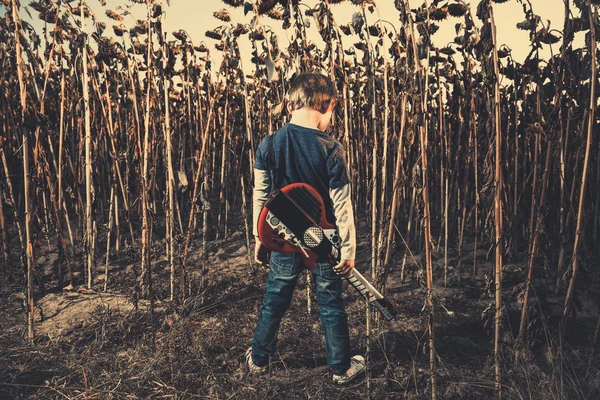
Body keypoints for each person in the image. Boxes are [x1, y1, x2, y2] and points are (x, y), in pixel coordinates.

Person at [247, 72, 365, 386]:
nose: (332, 119)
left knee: (275, 299)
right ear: (326, 105)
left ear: (291, 104)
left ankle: (259, 359)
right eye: (333, 111)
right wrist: (348, 250)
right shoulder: (331, 148)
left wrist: (261, 237)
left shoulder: (269, 144)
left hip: (284, 242)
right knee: (330, 303)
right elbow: (342, 204)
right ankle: (341, 368)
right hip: (324, 244)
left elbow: (262, 195)